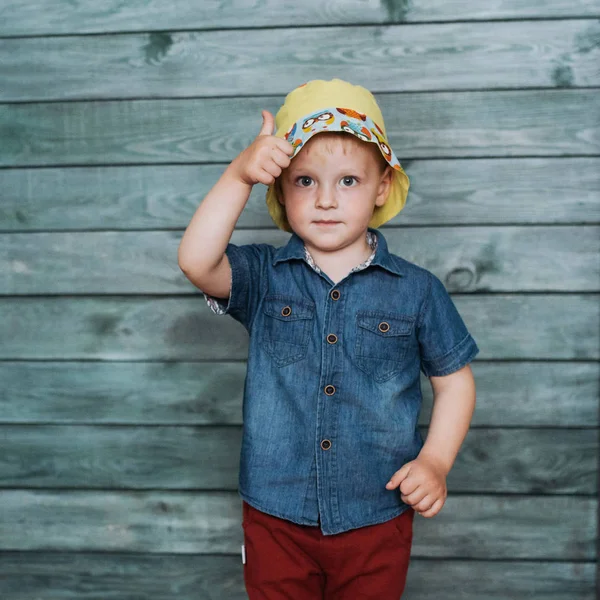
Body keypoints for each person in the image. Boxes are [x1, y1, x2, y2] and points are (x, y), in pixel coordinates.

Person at [178, 78, 479, 599]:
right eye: (303, 181)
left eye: (347, 181)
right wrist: (237, 175)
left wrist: (435, 461)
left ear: (382, 186)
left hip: (376, 515)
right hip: (276, 514)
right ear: (278, 189)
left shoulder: (417, 291)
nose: (324, 200)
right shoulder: (266, 275)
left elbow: (455, 383)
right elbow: (196, 262)